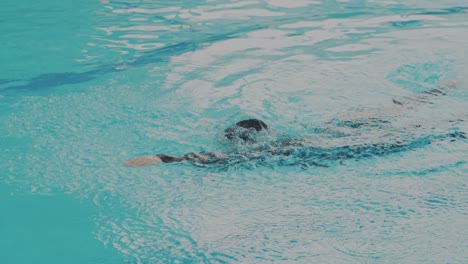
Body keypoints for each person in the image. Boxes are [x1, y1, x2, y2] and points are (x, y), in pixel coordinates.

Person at [121, 80, 464, 167]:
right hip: (325, 133)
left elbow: (182, 160)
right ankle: (441, 88)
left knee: (413, 132)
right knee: (384, 114)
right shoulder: (282, 140)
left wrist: (152, 161)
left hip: (331, 148)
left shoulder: (250, 157)